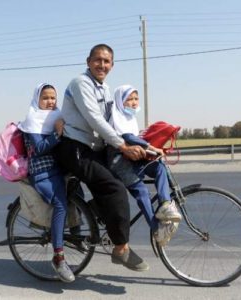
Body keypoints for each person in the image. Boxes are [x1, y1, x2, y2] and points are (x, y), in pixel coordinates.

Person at [54, 44, 149, 272]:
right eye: (98, 60)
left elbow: (112, 120)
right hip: (74, 148)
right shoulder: (81, 83)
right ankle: (120, 248)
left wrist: (138, 140)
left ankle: (95, 216)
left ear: (112, 66)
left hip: (92, 148)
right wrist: (123, 147)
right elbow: (95, 120)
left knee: (115, 180)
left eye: (107, 62)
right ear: (88, 61)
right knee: (114, 188)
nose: (102, 65)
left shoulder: (105, 88)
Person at [107, 84, 182, 246]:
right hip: (119, 162)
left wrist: (153, 150)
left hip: (133, 158)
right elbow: (128, 137)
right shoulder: (117, 117)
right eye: (129, 99)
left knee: (159, 166)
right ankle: (156, 229)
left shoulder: (129, 118)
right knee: (141, 191)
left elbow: (137, 138)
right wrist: (152, 147)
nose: (134, 103)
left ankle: (165, 204)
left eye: (136, 98)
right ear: (120, 101)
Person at [18, 83, 75, 283]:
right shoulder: (33, 120)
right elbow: (40, 148)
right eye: (46, 98)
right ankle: (58, 257)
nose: (50, 102)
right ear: (37, 100)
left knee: (78, 192)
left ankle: (77, 233)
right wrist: (57, 132)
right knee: (60, 204)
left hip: (58, 168)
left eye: (53, 98)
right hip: (42, 172)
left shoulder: (57, 115)